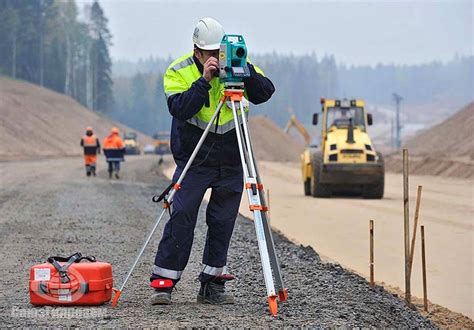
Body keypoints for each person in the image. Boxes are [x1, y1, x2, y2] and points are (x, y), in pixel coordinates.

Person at [150, 17, 275, 305]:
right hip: (194, 160)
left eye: (218, 51)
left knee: (222, 221)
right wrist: (204, 81)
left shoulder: (238, 62)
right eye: (209, 53)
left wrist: (246, 73)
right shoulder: (178, 71)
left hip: (231, 160)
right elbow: (179, 108)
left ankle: (212, 284)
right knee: (181, 216)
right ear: (196, 51)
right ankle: (164, 282)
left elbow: (265, 93)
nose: (216, 58)